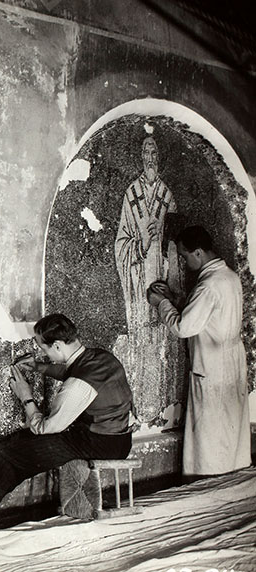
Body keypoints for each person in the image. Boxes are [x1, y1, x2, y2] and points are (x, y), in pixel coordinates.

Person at [0, 313, 134, 530]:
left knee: (6, 452)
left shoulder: (76, 386)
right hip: (120, 440)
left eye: (44, 349)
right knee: (16, 443)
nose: (43, 353)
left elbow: (45, 428)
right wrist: (39, 367)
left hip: (99, 444)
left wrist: (25, 395)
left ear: (58, 345)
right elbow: (70, 369)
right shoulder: (100, 357)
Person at [148, 225, 250, 477]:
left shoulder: (208, 285)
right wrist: (174, 298)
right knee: (229, 429)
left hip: (212, 366)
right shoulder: (229, 277)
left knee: (210, 433)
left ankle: (208, 484)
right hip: (231, 363)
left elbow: (184, 327)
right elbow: (205, 314)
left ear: (198, 252)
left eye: (184, 256)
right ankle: (231, 479)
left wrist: (161, 304)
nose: (184, 261)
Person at [114, 136, 182, 422]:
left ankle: (166, 410)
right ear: (140, 157)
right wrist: (140, 245)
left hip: (164, 281)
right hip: (139, 282)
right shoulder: (131, 195)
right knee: (143, 341)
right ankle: (143, 408)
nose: (150, 156)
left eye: (154, 151)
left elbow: (178, 244)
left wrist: (167, 252)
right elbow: (121, 244)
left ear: (160, 156)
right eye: (146, 151)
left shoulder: (168, 196)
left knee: (165, 343)